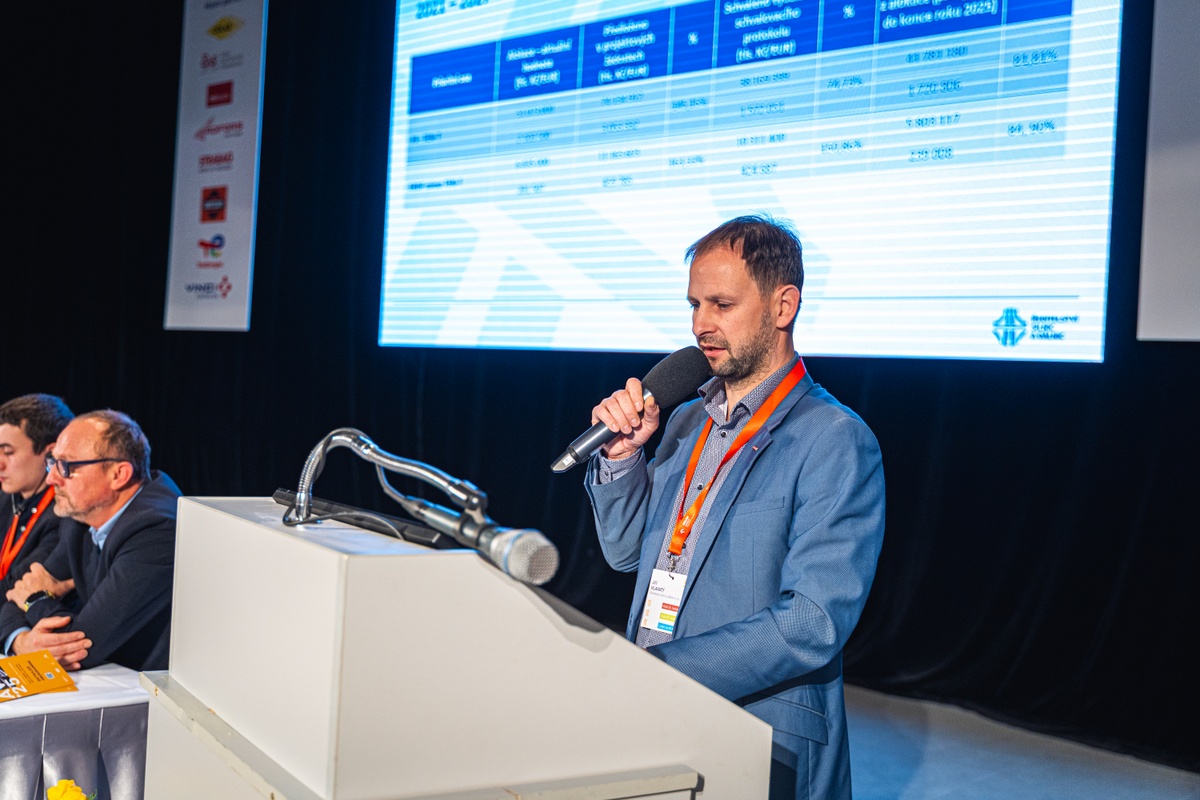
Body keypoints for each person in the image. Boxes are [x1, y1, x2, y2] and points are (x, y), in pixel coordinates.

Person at [585, 215, 885, 800]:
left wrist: (664, 670)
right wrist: (622, 458)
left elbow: (813, 622)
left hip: (758, 729)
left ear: (783, 306)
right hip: (657, 712)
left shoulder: (835, 438)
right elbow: (625, 554)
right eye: (694, 305)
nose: (701, 324)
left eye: (721, 304)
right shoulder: (683, 421)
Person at [1, 409, 181, 671]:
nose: (51, 478)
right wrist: (20, 640)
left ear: (118, 474)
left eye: (66, 466)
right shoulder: (80, 516)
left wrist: (35, 598)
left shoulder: (157, 532)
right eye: (53, 462)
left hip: (149, 685)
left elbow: (82, 644)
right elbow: (15, 591)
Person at [1, 395, 75, 593]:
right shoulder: (5, 498)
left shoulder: (66, 516)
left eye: (8, 452)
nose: (0, 464)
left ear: (51, 454)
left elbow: (17, 588)